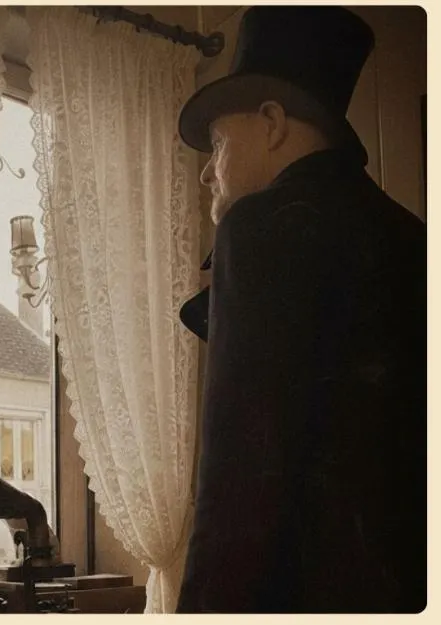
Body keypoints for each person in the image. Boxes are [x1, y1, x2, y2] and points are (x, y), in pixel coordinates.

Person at [176, 6, 426, 613]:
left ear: (272, 123)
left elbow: (241, 491)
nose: (207, 172)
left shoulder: (261, 228)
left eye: (217, 143)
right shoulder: (414, 238)